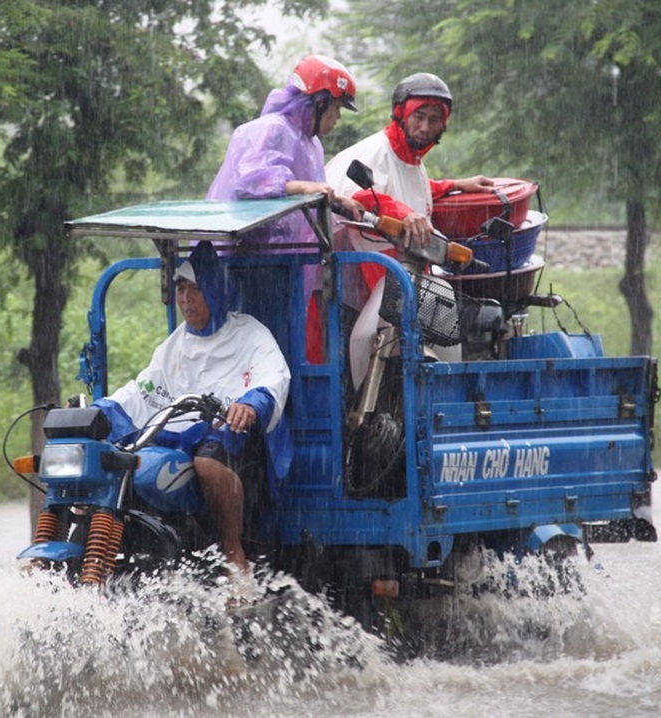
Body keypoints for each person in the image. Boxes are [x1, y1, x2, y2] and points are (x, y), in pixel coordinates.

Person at [94, 241, 291, 576]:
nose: (186, 299)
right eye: (181, 288)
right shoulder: (176, 343)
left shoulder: (249, 333)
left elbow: (273, 377)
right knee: (114, 461)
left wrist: (250, 405)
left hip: (231, 436)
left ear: (215, 290)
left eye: (196, 289)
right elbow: (144, 390)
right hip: (174, 433)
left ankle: (233, 549)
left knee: (207, 463)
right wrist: (102, 410)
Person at [326, 72, 494, 251]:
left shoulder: (410, 157)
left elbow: (403, 188)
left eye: (434, 119)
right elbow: (359, 198)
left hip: (391, 262)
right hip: (353, 265)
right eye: (419, 116)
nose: (425, 127)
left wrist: (455, 185)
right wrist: (405, 214)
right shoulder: (378, 151)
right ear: (401, 114)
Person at [207, 54, 365, 243]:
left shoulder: (311, 144)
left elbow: (302, 194)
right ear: (321, 102)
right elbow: (250, 182)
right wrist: (304, 187)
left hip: (280, 254)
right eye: (337, 108)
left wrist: (336, 200)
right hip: (241, 252)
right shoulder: (272, 128)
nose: (338, 117)